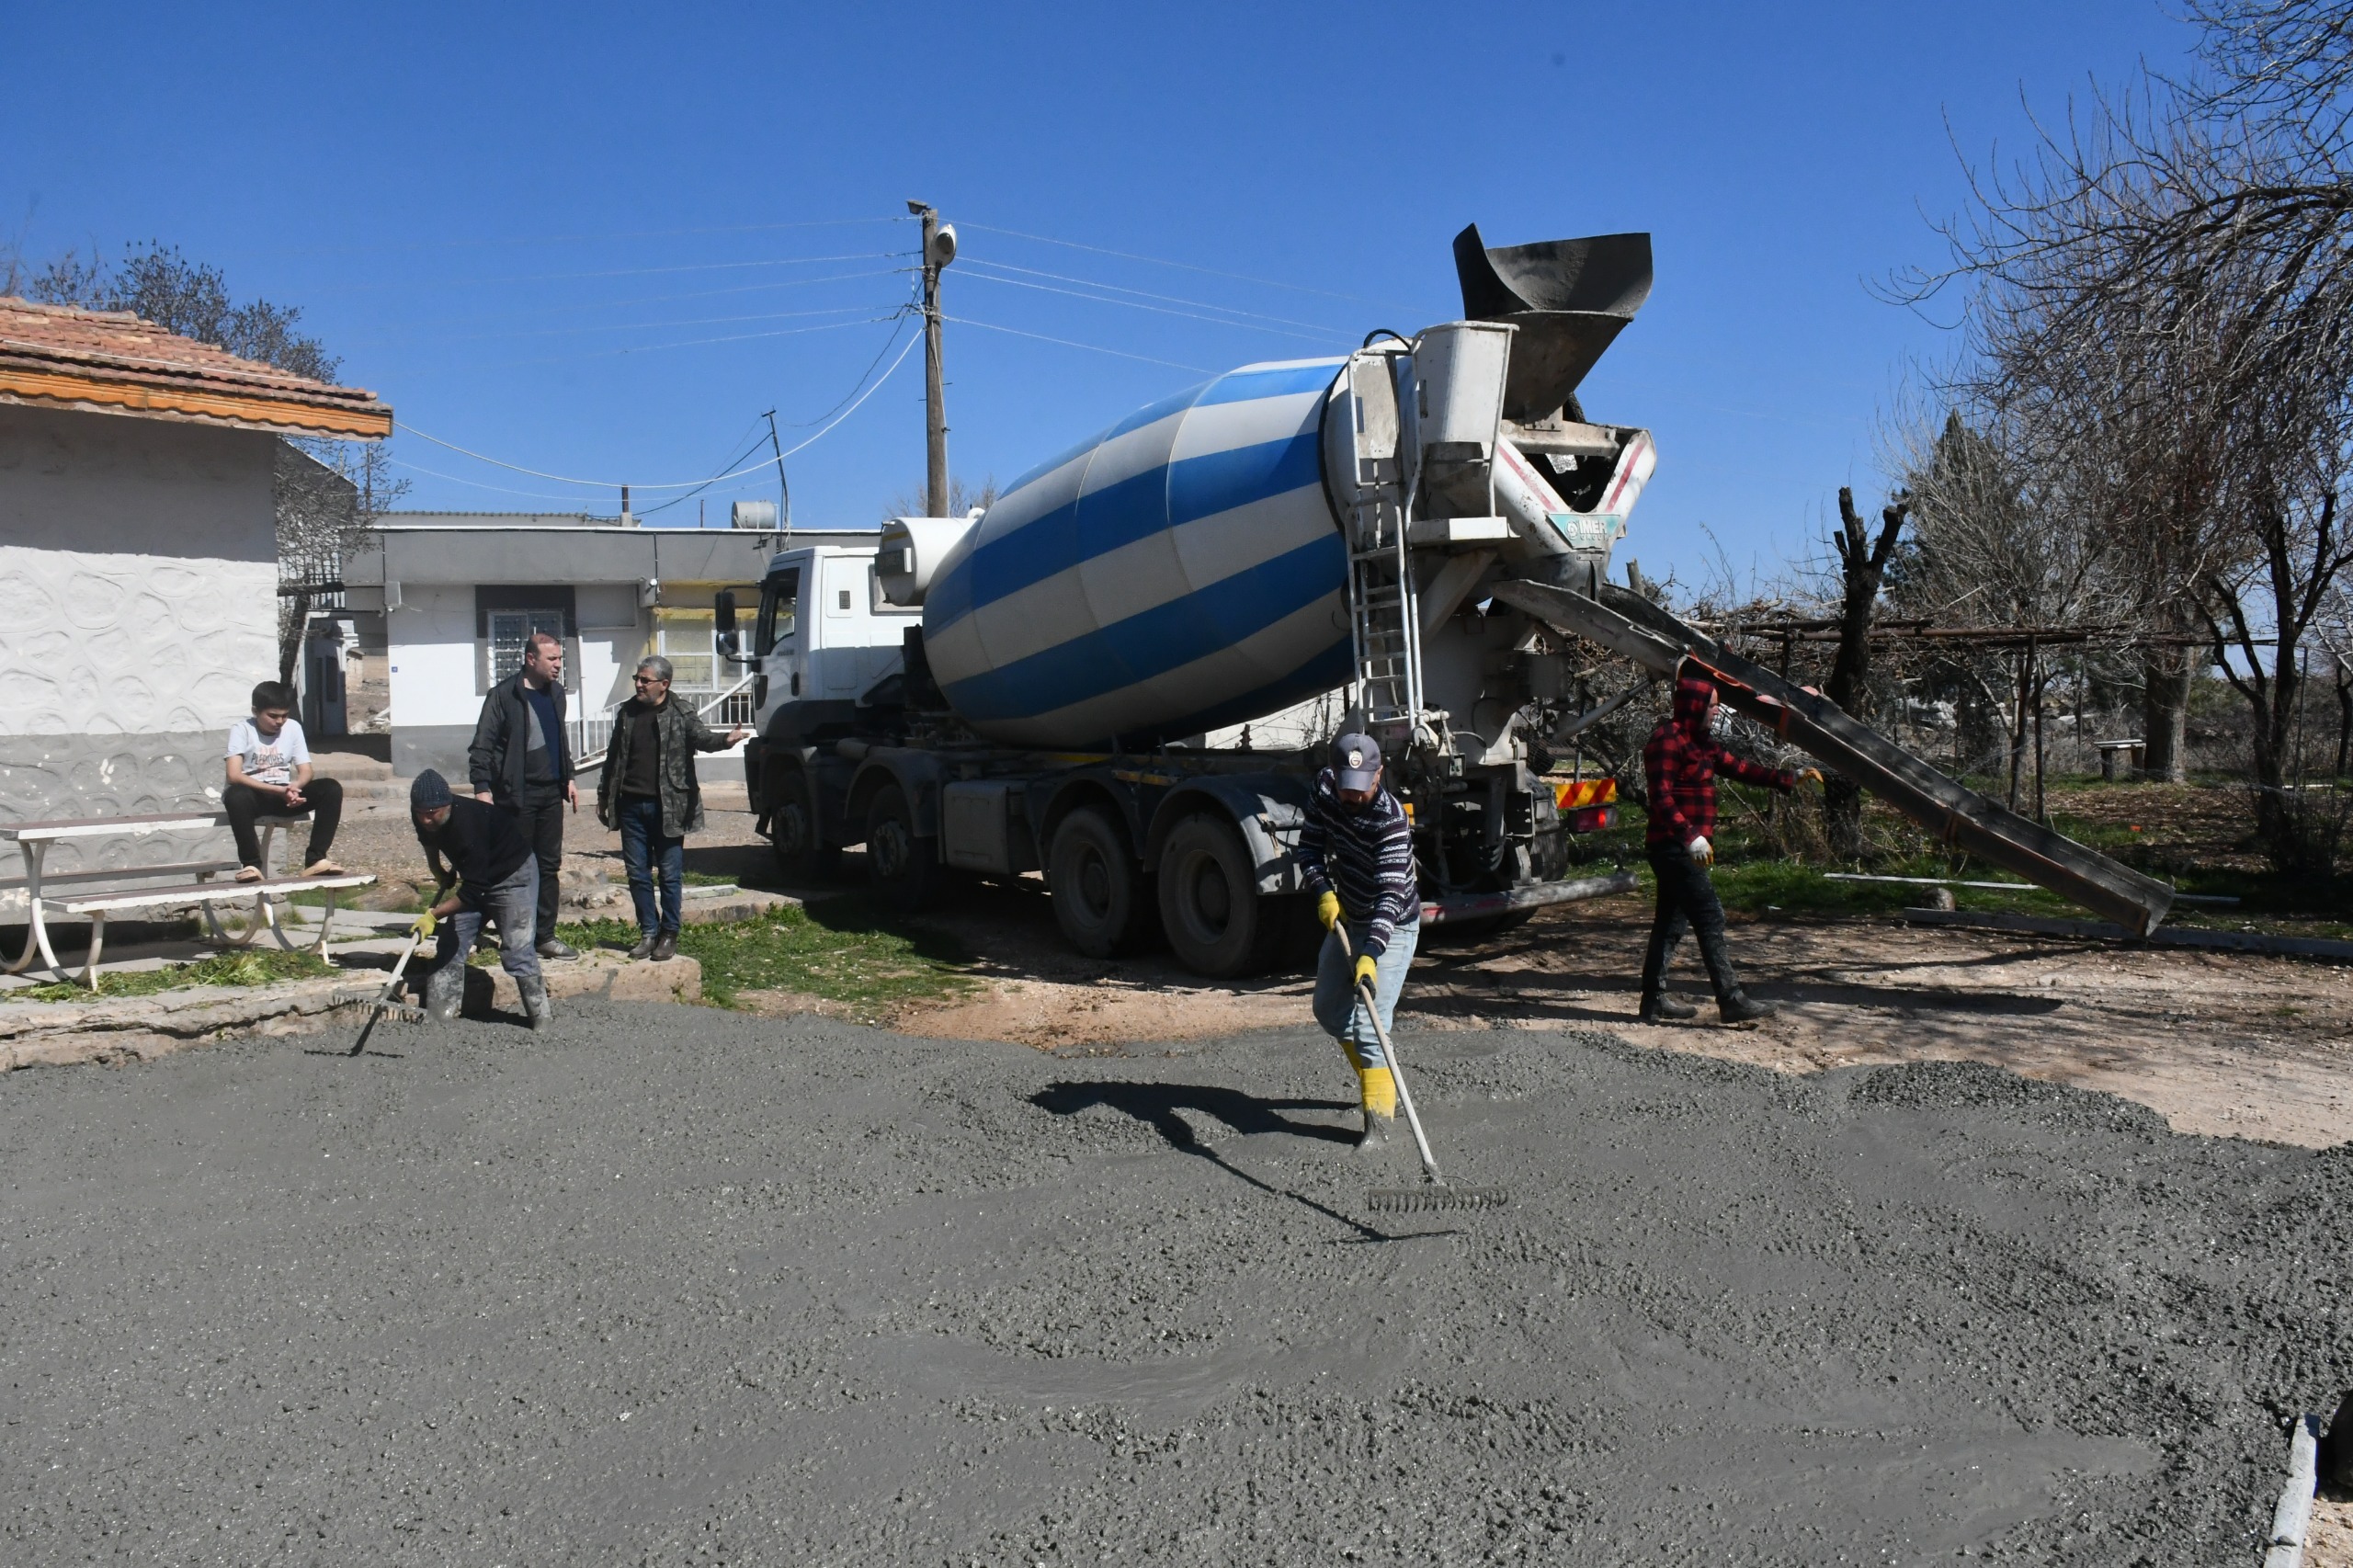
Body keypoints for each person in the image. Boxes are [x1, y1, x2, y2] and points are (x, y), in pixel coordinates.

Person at [1640, 663, 1821, 1026]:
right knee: (1710, 916)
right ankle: (1731, 998)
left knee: (1671, 924)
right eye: (1712, 705)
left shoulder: (1701, 743)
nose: (1717, 710)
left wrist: (1790, 777)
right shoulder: (1668, 740)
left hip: (1685, 847)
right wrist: (1689, 836)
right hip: (1674, 848)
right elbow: (1659, 796)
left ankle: (1654, 1001)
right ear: (1694, 705)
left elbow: (1742, 770)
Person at [1298, 732, 1422, 1148]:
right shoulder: (1324, 790)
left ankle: (1379, 1126)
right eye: (1345, 788)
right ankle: (1382, 1080)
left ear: (1379, 774)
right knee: (1329, 1011)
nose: (1353, 797)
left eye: (1362, 787)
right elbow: (1309, 849)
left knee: (1369, 1026)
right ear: (1332, 775)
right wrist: (1324, 892)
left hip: (1393, 924)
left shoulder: (1389, 820)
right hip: (1349, 913)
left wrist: (1370, 955)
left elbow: (1391, 897)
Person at [596, 655, 747, 961]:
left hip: (670, 807)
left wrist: (725, 741)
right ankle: (648, 933)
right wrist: (604, 795)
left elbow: (702, 738)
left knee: (669, 875)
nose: (639, 684)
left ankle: (669, 934)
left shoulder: (681, 712)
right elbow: (614, 757)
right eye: (637, 679)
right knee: (637, 874)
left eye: (645, 680)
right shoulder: (627, 712)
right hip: (631, 806)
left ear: (664, 684)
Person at [407, 768, 551, 1030]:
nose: (426, 820)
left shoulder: (469, 824)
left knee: (516, 949)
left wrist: (433, 915)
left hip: (513, 876)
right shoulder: (422, 812)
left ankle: (540, 1016)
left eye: (433, 814)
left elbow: (473, 891)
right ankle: (440, 1014)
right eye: (421, 814)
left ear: (447, 805)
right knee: (451, 943)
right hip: (478, 873)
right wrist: (436, 869)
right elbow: (428, 839)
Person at [468, 631, 578, 960]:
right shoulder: (504, 695)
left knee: (548, 866)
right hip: (516, 796)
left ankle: (544, 936)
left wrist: (568, 776)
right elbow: (482, 745)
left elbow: (560, 739)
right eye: (552, 659)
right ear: (531, 659)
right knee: (510, 866)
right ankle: (487, 928)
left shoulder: (557, 694)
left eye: (560, 659)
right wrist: (482, 788)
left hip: (550, 794)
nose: (558, 665)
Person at [222, 680, 345, 881]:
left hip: (284, 794)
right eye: (272, 716)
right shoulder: (242, 729)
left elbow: (306, 770)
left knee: (331, 788)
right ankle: (251, 865)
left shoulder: (293, 728)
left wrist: (295, 787)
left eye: (284, 716)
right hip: (254, 796)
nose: (279, 721)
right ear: (256, 711)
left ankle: (316, 859)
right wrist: (277, 791)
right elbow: (234, 775)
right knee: (235, 796)